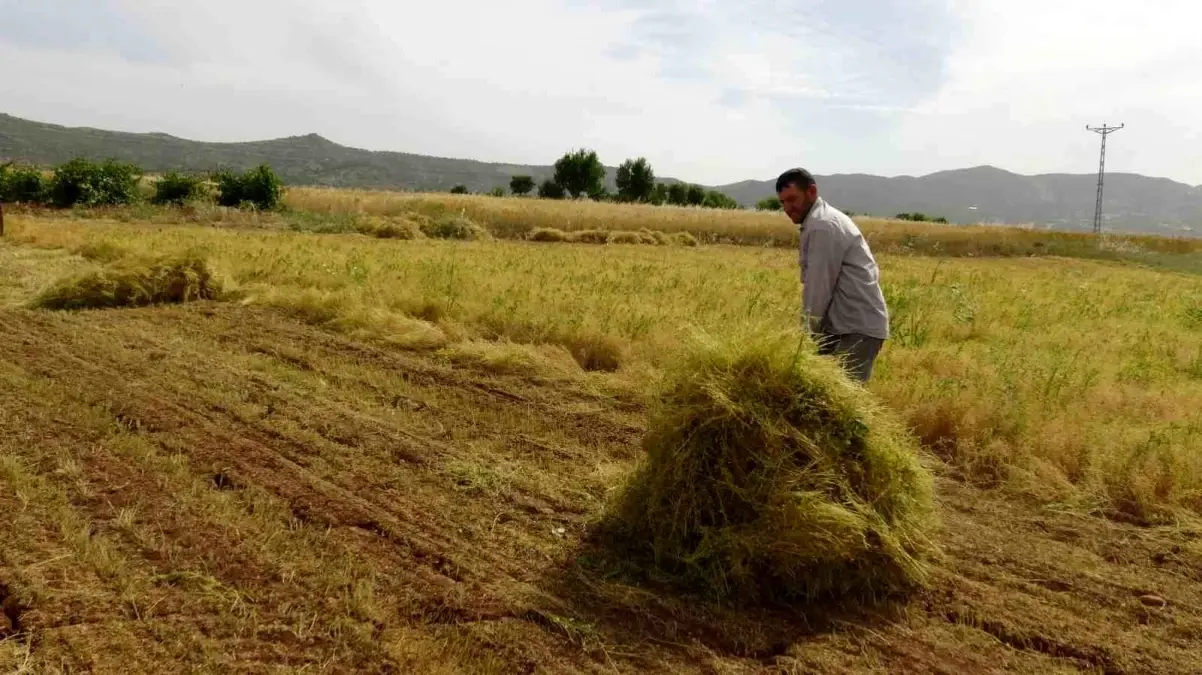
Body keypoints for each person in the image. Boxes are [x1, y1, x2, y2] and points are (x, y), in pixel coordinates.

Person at [775, 168, 890, 383]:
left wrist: (805, 340)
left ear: (811, 191)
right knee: (815, 395)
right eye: (783, 203)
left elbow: (819, 287)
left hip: (856, 328)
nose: (788, 208)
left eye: (792, 199)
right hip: (840, 326)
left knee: (843, 406)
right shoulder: (817, 221)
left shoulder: (823, 225)